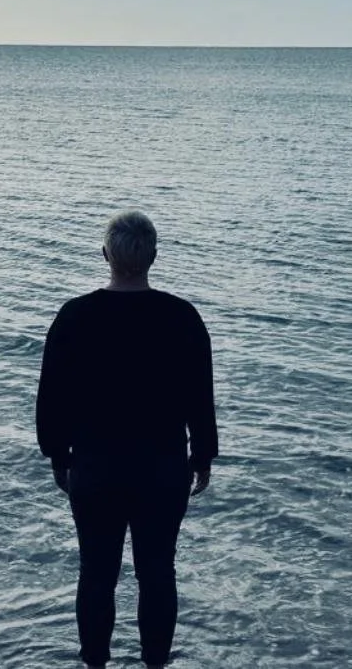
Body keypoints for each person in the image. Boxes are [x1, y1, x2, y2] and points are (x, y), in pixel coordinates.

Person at [36, 210, 219, 669]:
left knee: (96, 574)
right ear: (154, 257)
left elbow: (52, 396)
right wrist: (202, 456)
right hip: (162, 469)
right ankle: (155, 664)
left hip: (96, 467)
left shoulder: (75, 317)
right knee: (158, 574)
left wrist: (59, 455)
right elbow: (200, 395)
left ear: (105, 256)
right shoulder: (182, 318)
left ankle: (94, 663)